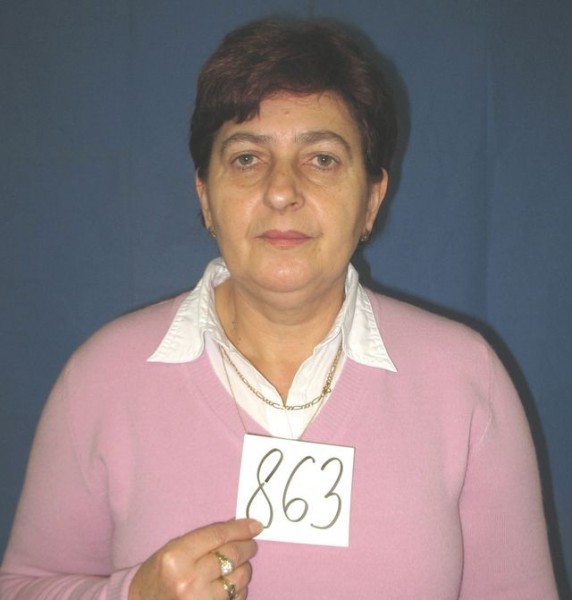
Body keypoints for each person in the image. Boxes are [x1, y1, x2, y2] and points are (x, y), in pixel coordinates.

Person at [0, 17, 558, 600]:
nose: (282, 190)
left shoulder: (465, 381)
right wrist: (131, 597)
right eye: (247, 158)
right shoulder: (103, 377)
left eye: (322, 159)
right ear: (205, 196)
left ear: (372, 199)